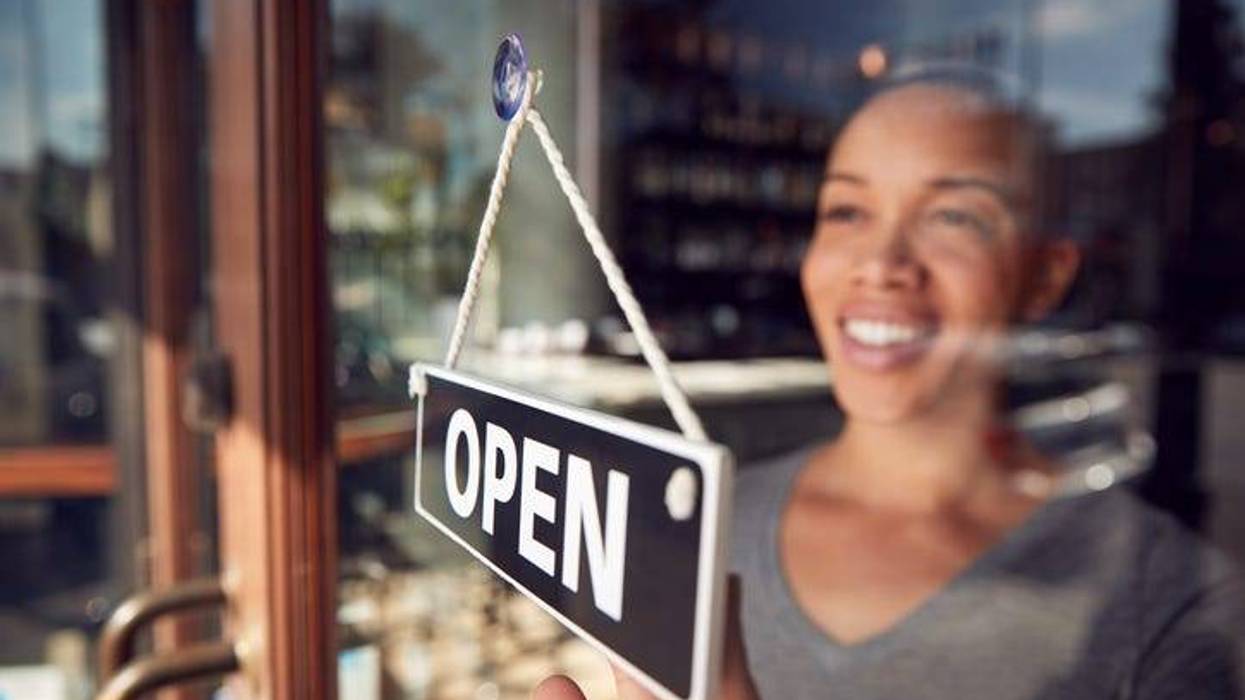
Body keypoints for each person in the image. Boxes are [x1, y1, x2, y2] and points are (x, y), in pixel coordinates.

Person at [535, 69, 1245, 699]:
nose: (880, 263)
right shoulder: (692, 528)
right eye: (846, 211)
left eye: (952, 216)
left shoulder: (1173, 607)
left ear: (1044, 276)